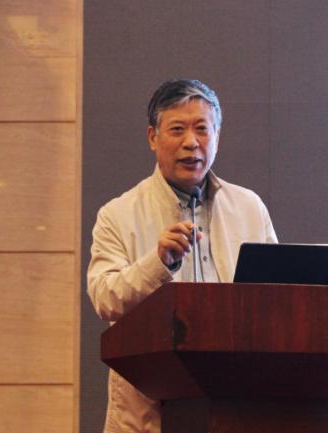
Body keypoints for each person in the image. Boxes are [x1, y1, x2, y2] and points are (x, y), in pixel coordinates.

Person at [87, 79, 278, 433]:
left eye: (202, 129)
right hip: (149, 417)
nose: (191, 142)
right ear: (153, 137)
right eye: (177, 129)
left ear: (217, 136)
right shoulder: (118, 214)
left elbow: (275, 298)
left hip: (237, 409)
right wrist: (157, 263)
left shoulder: (249, 208)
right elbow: (104, 297)